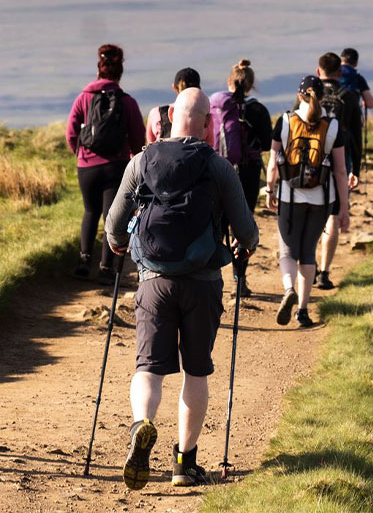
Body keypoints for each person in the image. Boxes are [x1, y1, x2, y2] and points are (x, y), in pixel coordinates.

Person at [104, 88, 259, 489]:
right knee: (196, 370)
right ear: (208, 123)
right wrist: (246, 244)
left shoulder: (141, 162)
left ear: (172, 114)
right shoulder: (219, 166)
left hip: (154, 281)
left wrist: (119, 243)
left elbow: (114, 224)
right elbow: (246, 230)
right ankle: (184, 465)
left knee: (148, 368)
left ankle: (142, 424)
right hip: (203, 282)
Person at [265, 76, 350, 328]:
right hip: (322, 199)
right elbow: (341, 171)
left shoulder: (284, 121)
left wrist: (270, 190)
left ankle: (288, 288)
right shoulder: (333, 127)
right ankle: (302, 311)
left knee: (288, 251)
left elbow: (273, 162)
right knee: (308, 253)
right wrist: (344, 208)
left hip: (289, 197)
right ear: (322, 97)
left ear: (299, 95)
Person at [66, 44, 144, 282]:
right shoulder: (127, 102)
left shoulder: (83, 98)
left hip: (86, 166)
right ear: (120, 72)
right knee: (112, 216)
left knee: (90, 211)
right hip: (116, 166)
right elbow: (138, 138)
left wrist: (80, 154)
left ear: (98, 70)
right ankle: (105, 269)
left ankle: (83, 260)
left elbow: (71, 132)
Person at [209, 59, 271, 296]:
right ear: (251, 84)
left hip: (218, 169)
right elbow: (266, 143)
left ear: (229, 81)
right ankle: (240, 278)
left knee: (218, 222)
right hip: (248, 171)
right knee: (242, 225)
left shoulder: (218, 107)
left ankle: (212, 276)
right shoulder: (258, 110)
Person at [313, 53, 361, 291]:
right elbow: (357, 136)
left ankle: (307, 265)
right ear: (340, 73)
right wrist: (357, 168)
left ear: (318, 70)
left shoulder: (309, 94)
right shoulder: (349, 97)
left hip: (310, 163)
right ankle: (324, 272)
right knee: (333, 215)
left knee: (311, 213)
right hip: (340, 162)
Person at [146, 67, 202, 144]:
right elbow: (210, 144)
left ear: (174, 87)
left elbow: (150, 144)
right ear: (198, 87)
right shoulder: (204, 112)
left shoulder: (156, 113)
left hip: (161, 155)